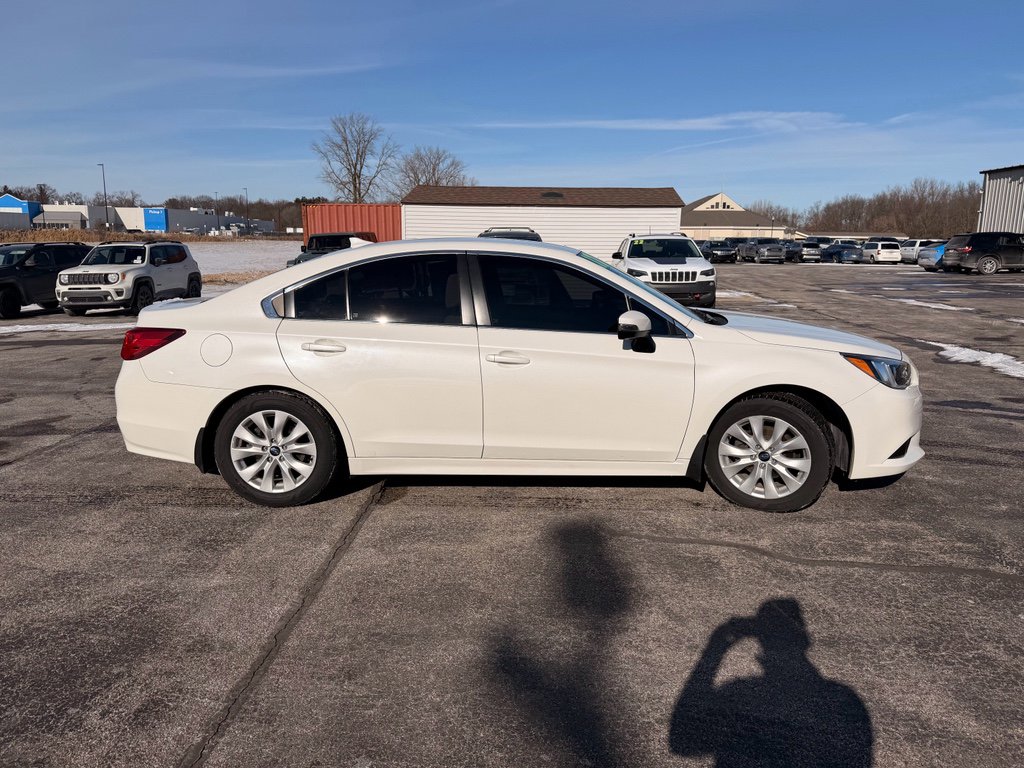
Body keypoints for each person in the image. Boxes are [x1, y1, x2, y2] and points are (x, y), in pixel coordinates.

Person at [669, 598, 873, 767]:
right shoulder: (843, 702)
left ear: (760, 640)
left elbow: (682, 740)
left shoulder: (740, 698)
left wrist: (715, 650)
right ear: (804, 640)